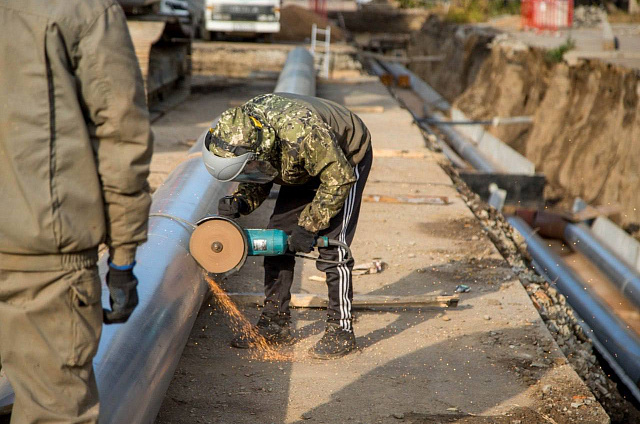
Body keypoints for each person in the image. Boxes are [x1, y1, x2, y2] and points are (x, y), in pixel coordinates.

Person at [0, 0, 153, 422]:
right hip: (42, 261)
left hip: (36, 250)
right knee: (53, 409)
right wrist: (123, 260)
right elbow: (122, 136)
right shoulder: (86, 10)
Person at [202, 93, 372, 359]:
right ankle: (275, 323)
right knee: (276, 240)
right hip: (302, 162)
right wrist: (241, 202)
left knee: (333, 249)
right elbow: (261, 174)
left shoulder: (303, 133)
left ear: (257, 150)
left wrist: (308, 226)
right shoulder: (246, 129)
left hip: (344, 160)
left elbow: (339, 179)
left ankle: (341, 329)